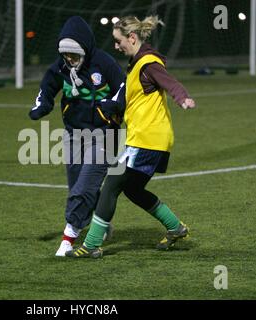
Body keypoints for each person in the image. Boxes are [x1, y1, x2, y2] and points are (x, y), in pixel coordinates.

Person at [66, 15, 196, 258]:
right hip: (150, 139)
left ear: (132, 38)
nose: (116, 46)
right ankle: (175, 228)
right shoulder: (136, 66)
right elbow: (122, 101)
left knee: (110, 186)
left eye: (118, 41)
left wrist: (182, 97)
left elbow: (169, 82)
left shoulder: (148, 63)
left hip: (146, 139)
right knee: (133, 189)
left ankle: (92, 245)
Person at [29, 16, 125, 256]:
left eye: (74, 54)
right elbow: (46, 90)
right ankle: (100, 223)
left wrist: (109, 107)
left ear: (86, 49)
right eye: (66, 55)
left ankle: (68, 238)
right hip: (73, 133)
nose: (69, 60)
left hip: (105, 135)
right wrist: (41, 106)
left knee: (84, 186)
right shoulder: (61, 67)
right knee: (77, 186)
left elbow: (124, 89)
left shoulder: (105, 63)